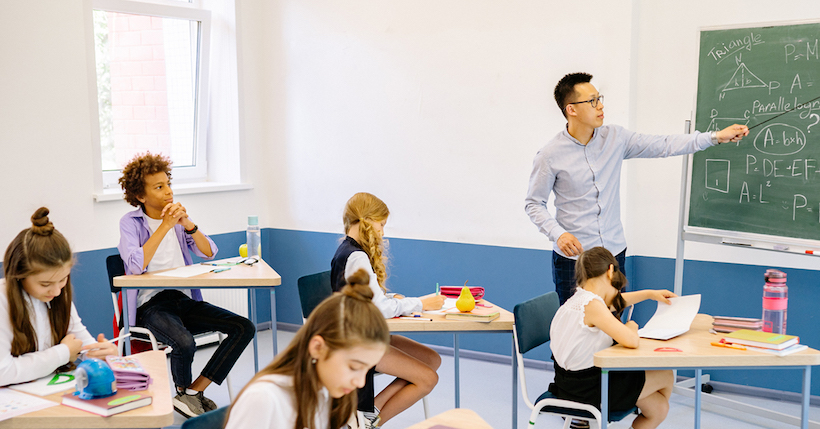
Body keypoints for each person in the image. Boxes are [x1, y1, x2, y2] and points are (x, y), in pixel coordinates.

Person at [525, 72, 750, 304]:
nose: (600, 106)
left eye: (599, 98)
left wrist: (715, 137)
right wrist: (558, 234)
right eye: (592, 101)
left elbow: (663, 145)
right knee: (575, 329)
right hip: (573, 260)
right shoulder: (550, 155)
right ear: (571, 109)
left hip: (613, 255)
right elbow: (533, 203)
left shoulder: (616, 138)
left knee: (615, 328)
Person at [117, 152, 255, 418]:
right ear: (141, 196)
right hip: (150, 306)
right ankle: (187, 395)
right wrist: (164, 226)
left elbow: (209, 252)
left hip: (182, 300)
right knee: (184, 342)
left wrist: (188, 225)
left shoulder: (179, 223)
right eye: (159, 187)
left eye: (168, 184)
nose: (168, 191)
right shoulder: (130, 223)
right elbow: (134, 265)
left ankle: (191, 393)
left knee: (243, 327)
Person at [330, 192, 445, 428]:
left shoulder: (348, 250)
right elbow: (380, 309)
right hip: (358, 343)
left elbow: (369, 298)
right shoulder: (357, 257)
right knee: (428, 378)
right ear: (367, 220)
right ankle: (368, 422)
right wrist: (421, 303)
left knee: (431, 359)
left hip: (364, 334)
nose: (382, 231)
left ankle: (369, 413)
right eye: (381, 224)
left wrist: (392, 297)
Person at [225, 269, 390, 429]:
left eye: (367, 369)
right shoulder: (264, 399)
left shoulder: (328, 392)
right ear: (317, 347)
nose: (360, 382)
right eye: (354, 367)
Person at [549, 247, 676, 429]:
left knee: (659, 408)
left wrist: (650, 294)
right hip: (587, 391)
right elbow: (632, 341)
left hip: (569, 384)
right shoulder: (593, 305)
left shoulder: (579, 300)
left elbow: (616, 301)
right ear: (610, 271)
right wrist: (631, 326)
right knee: (665, 374)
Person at [1, 207, 118, 386]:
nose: (56, 292)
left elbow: (83, 344)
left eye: (63, 280)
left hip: (44, 394)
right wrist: (62, 353)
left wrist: (103, 354)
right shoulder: (3, 301)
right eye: (45, 284)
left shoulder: (58, 295)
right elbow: (3, 372)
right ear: (19, 275)